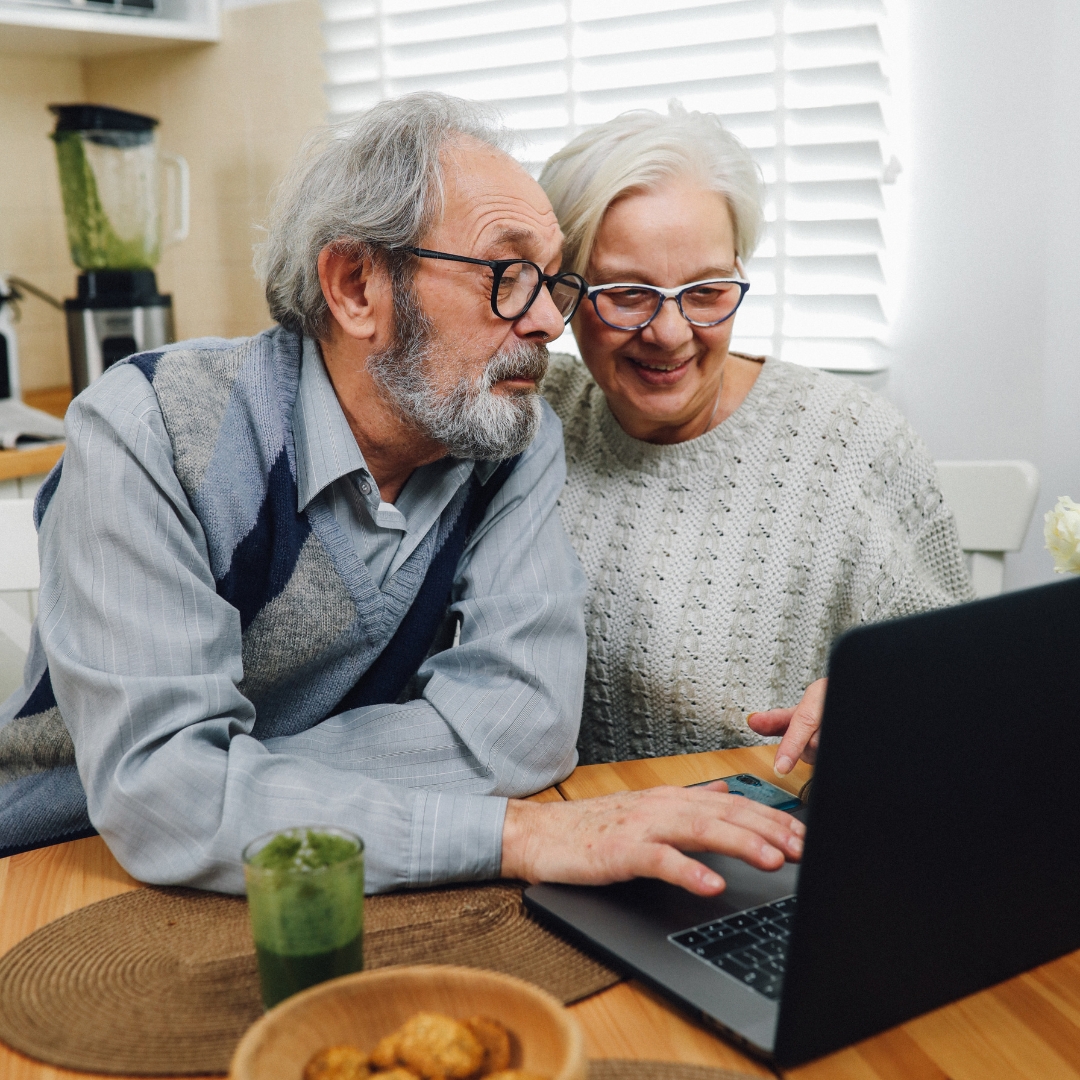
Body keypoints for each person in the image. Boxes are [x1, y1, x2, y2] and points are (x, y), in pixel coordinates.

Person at [0, 93, 803, 899]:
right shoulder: (148, 429)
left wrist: (231, 787)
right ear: (357, 286)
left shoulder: (510, 440)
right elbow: (159, 800)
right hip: (70, 868)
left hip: (348, 873)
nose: (548, 324)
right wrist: (512, 831)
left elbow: (526, 724)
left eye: (551, 281)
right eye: (506, 275)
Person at [539, 103, 975, 773]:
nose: (671, 333)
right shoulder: (533, 416)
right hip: (578, 833)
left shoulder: (854, 442)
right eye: (627, 293)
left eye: (708, 290)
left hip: (781, 844)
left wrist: (881, 697)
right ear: (565, 294)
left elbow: (960, 684)